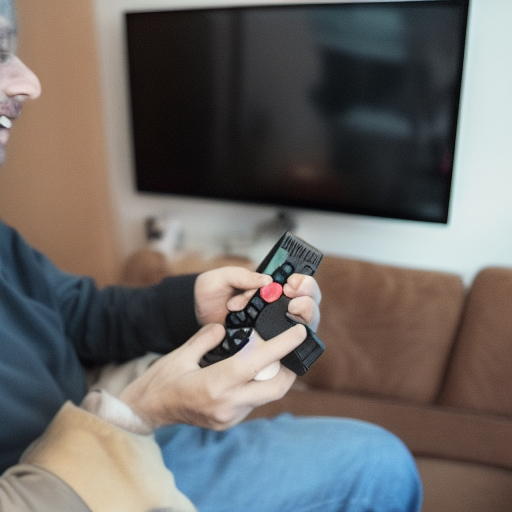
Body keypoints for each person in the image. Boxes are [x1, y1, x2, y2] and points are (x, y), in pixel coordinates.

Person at [0, 1, 422, 510]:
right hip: (75, 483)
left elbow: (77, 312)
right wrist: (129, 417)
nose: (28, 82)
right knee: (379, 469)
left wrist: (190, 304)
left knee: (377, 458)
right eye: (0, 53)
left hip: (114, 429)